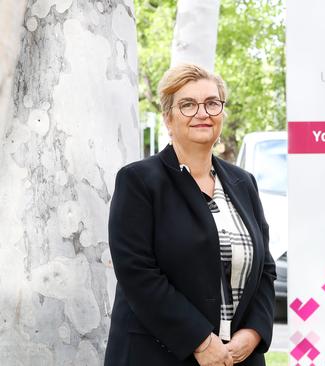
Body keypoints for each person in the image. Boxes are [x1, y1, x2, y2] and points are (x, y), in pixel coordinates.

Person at [105, 64, 276, 366]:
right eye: (188, 105)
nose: (203, 113)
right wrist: (200, 339)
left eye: (212, 103)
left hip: (238, 357)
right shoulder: (139, 181)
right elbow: (137, 273)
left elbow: (264, 269)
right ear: (168, 118)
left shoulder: (244, 183)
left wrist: (253, 332)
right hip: (159, 355)